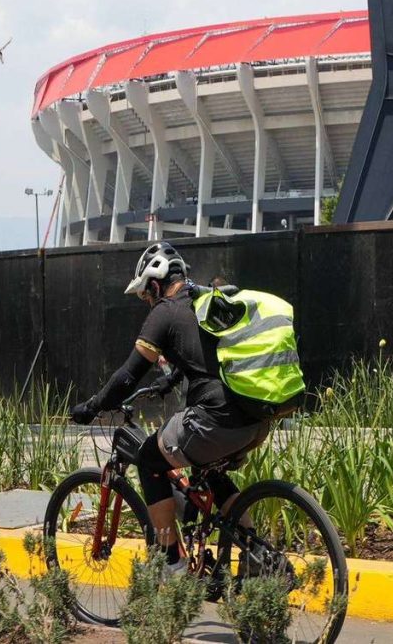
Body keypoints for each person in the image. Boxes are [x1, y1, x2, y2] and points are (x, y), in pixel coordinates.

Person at [69, 242, 275, 575]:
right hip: (254, 417)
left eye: (145, 295)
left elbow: (127, 377)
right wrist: (172, 379)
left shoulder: (164, 311)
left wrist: (93, 406)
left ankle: (171, 560)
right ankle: (256, 555)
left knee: (150, 459)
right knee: (210, 475)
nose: (147, 301)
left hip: (217, 421)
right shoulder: (205, 302)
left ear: (155, 283)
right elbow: (205, 354)